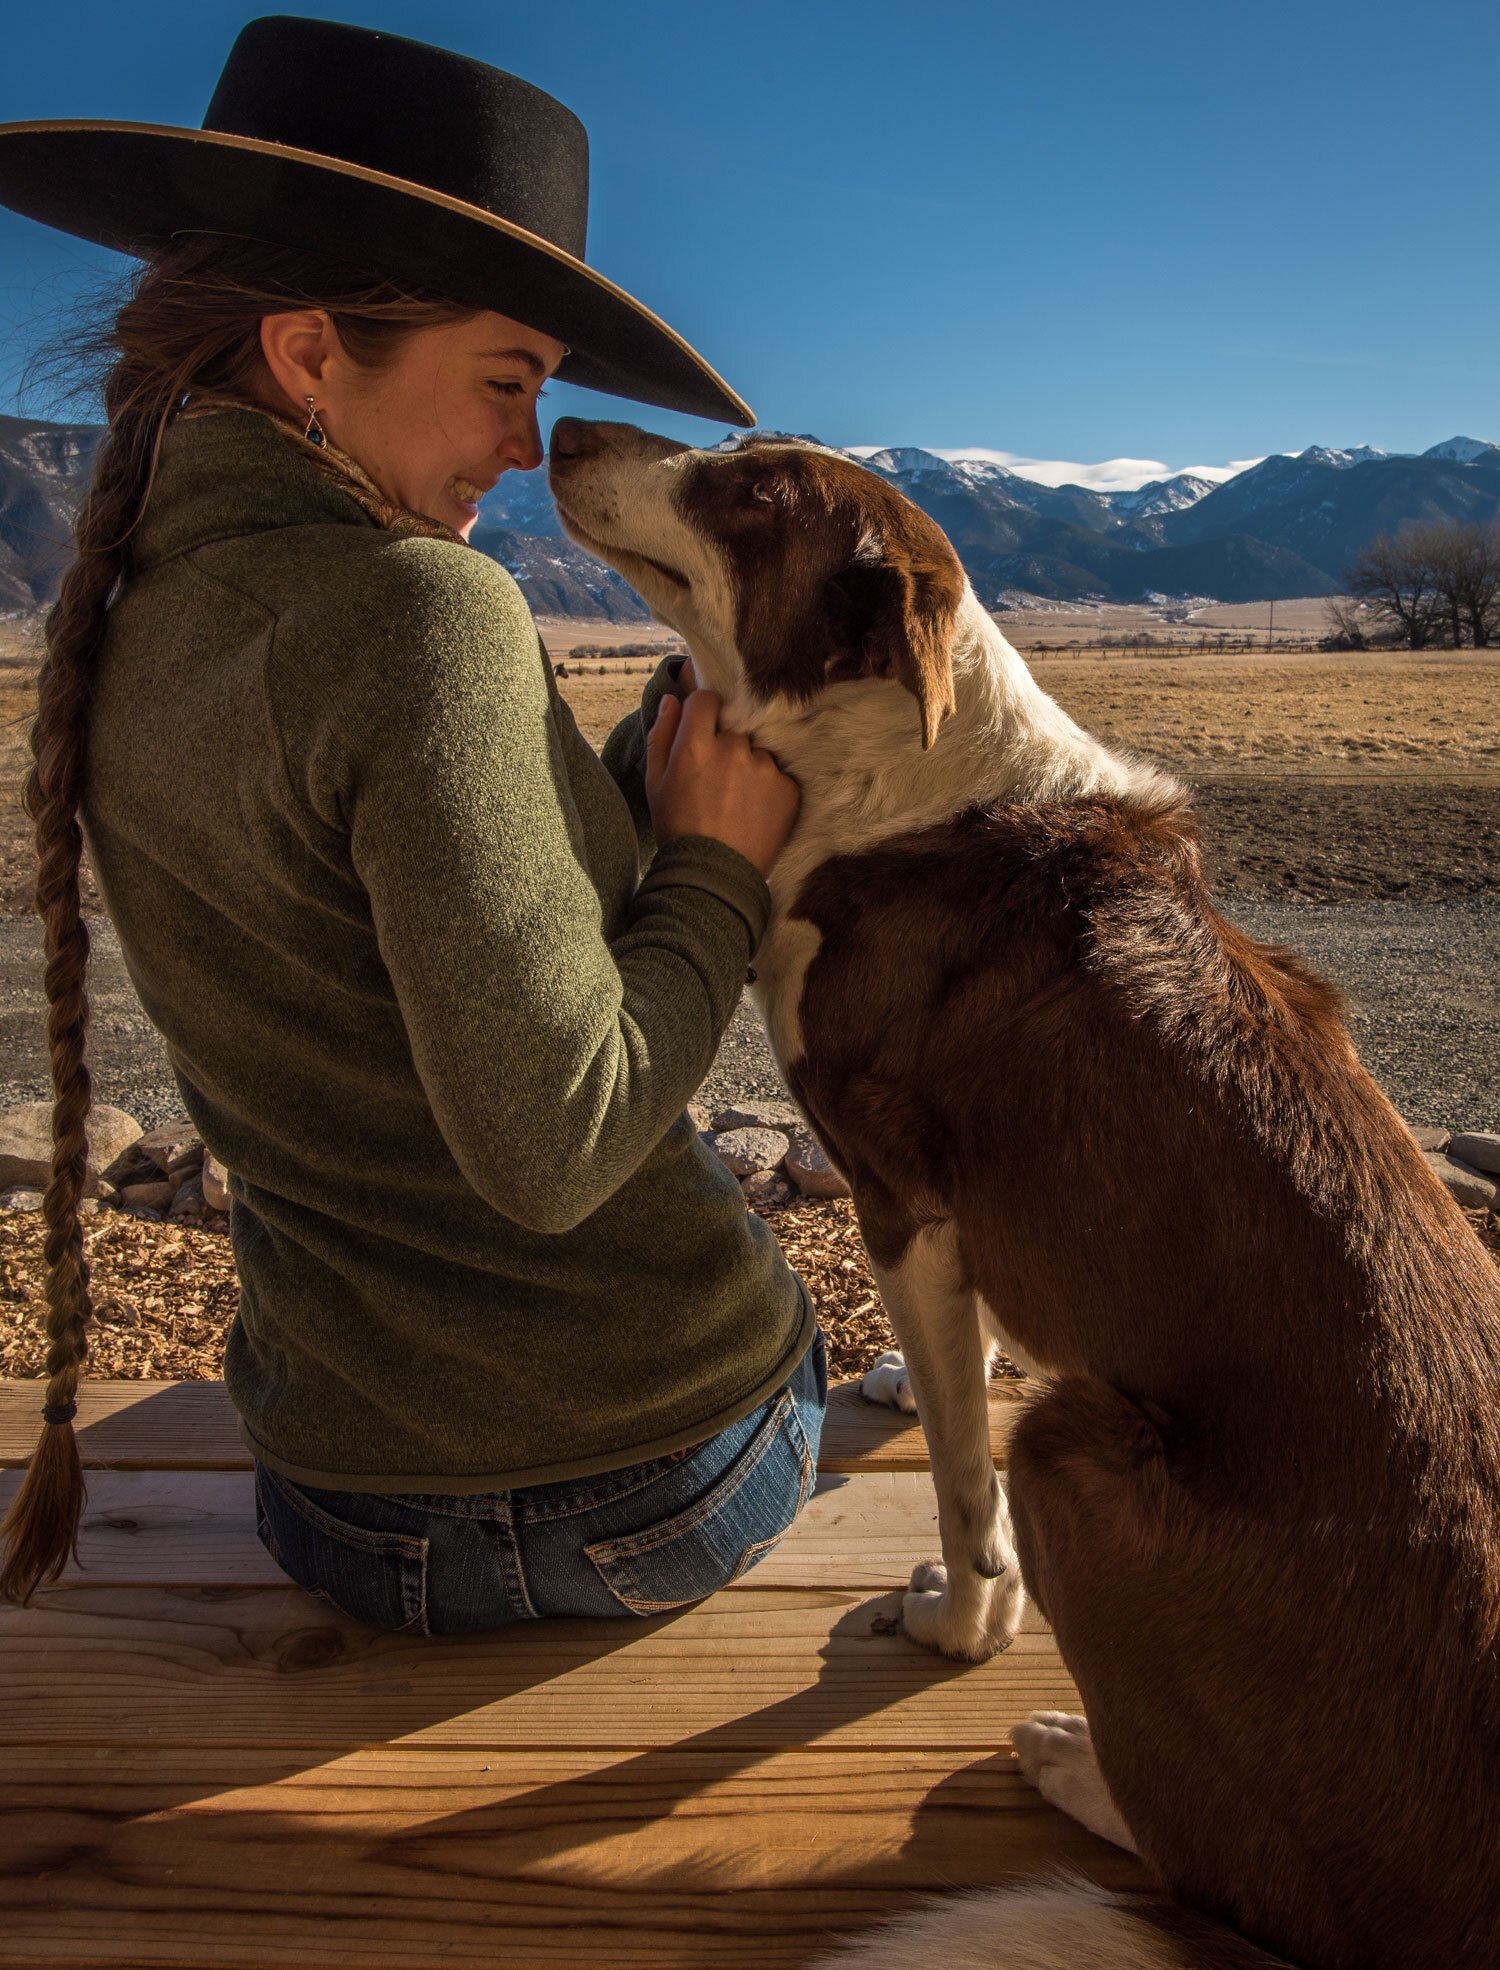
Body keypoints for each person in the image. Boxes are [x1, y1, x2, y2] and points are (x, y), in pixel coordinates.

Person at [0, 17, 825, 1626]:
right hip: (630, 1484)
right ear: (309, 352)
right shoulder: (417, 612)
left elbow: (373, 937)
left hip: (333, 1486)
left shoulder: (131, 605)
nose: (527, 449)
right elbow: (561, 1139)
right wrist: (715, 867)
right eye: (505, 381)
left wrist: (601, 794)